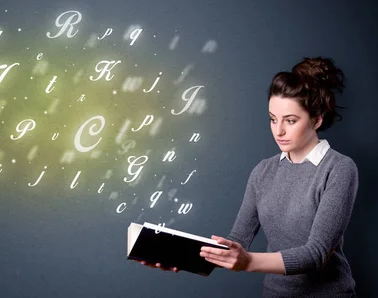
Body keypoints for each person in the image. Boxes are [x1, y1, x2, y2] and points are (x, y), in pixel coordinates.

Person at [140, 57, 359, 297]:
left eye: (291, 121)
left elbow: (316, 254)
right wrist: (182, 258)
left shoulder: (338, 168)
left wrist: (248, 262)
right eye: (273, 119)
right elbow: (237, 242)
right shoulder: (263, 172)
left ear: (316, 120)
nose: (279, 130)